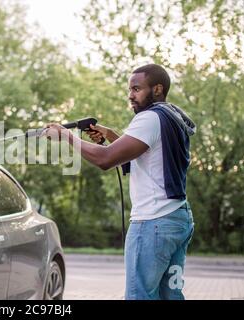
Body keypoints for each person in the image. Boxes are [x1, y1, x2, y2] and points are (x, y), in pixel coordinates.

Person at [43, 64, 196, 300]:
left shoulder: (149, 118)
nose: (130, 95)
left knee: (139, 296)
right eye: (130, 89)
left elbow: (105, 159)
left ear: (157, 89)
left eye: (136, 89)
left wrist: (66, 136)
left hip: (152, 223)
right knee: (171, 296)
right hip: (177, 220)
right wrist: (110, 135)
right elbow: (145, 155)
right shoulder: (172, 117)